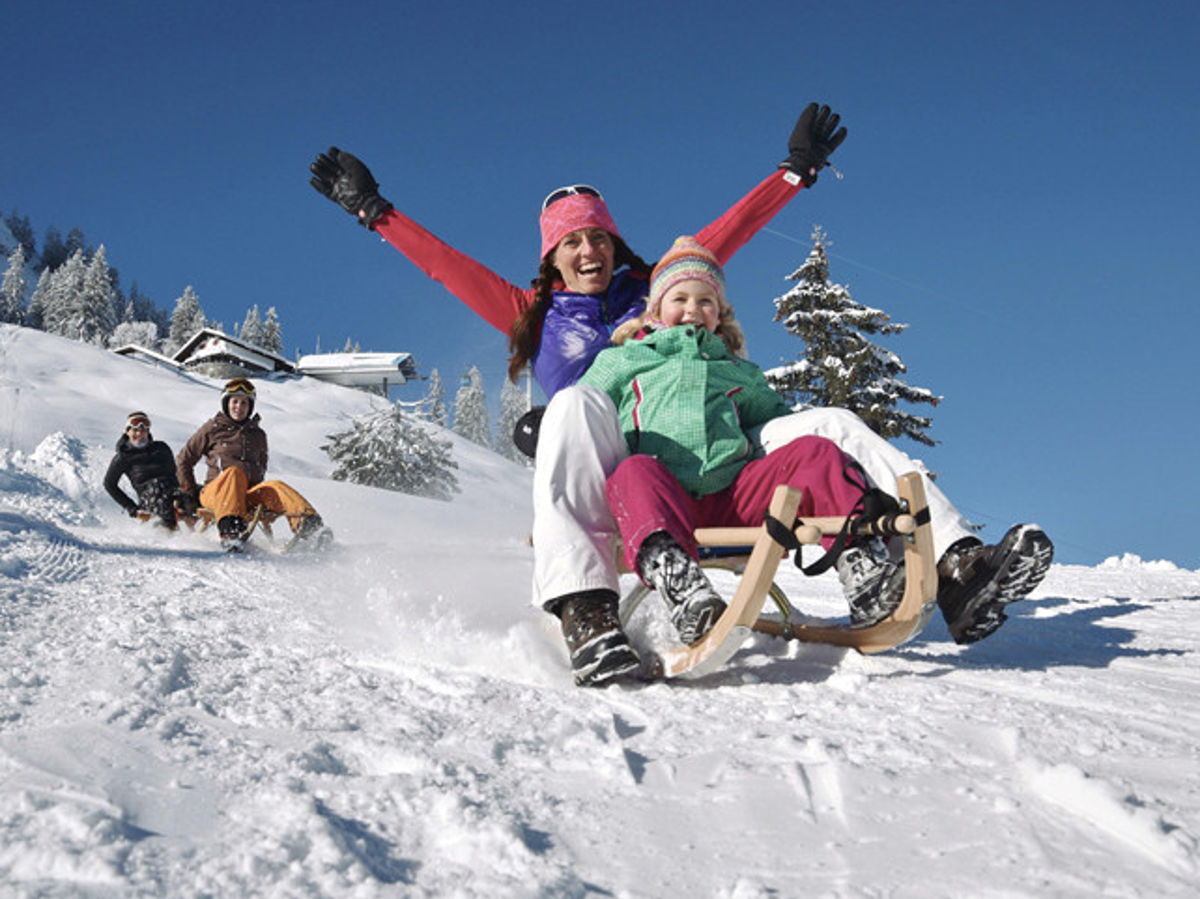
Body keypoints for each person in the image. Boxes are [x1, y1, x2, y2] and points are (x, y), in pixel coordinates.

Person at [311, 103, 848, 685]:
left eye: (599, 237)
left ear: (615, 246)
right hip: (592, 463)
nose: (589, 250)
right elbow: (445, 266)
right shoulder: (530, 313)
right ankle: (586, 614)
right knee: (576, 403)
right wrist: (375, 212)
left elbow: (720, 237)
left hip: (675, 452)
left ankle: (900, 544)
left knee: (811, 426)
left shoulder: (653, 292)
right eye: (574, 242)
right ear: (552, 257)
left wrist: (795, 172)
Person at [583, 237, 913, 644]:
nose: (692, 310)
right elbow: (581, 413)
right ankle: (681, 585)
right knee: (633, 470)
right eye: (680, 298)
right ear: (655, 309)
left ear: (719, 313)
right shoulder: (622, 361)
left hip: (733, 497)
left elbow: (780, 429)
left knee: (814, 451)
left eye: (706, 301)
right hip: (663, 501)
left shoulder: (739, 371)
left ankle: (863, 570)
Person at [175, 378, 330, 552]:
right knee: (233, 473)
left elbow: (261, 466)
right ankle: (231, 533)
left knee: (276, 486)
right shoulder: (212, 428)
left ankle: (311, 527)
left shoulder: (258, 435)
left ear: (250, 407)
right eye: (234, 401)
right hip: (216, 493)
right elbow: (184, 459)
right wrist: (189, 493)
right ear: (226, 403)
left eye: (244, 403)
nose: (239, 407)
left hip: (246, 497)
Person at [103, 411, 182, 530]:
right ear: (127, 431)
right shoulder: (123, 456)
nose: (139, 433)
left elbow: (174, 473)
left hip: (172, 491)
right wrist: (132, 509)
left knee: (197, 492)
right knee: (157, 487)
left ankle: (209, 532)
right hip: (150, 497)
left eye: (144, 430)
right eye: (135, 430)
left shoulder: (161, 448)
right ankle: (168, 532)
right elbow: (109, 484)